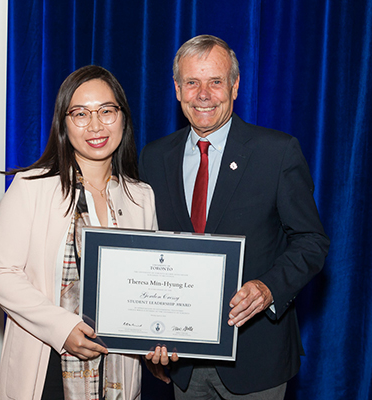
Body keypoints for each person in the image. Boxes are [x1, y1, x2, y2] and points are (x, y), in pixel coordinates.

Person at [139, 35, 330, 399]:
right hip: (183, 362)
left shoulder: (277, 152)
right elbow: (150, 252)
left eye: (216, 81)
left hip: (256, 359)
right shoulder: (154, 157)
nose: (203, 94)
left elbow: (311, 241)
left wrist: (269, 287)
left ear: (235, 86)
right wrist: (149, 333)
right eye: (192, 82)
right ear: (177, 89)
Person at [0, 65, 163, 400]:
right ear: (64, 124)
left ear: (123, 116)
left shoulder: (142, 197)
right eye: (80, 113)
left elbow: (146, 287)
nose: (95, 125)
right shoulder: (32, 187)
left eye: (107, 111)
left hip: (117, 369)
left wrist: (157, 336)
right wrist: (62, 328)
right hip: (46, 364)